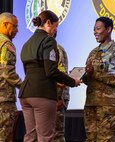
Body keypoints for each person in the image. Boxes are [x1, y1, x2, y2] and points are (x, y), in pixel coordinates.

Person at [18, 10, 81, 142]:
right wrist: (72, 81)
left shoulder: (27, 44)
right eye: (55, 25)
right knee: (45, 137)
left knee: (30, 136)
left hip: (25, 94)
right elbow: (51, 71)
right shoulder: (48, 41)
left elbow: (30, 71)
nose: (55, 29)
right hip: (42, 94)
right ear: (48, 23)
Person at [82, 17, 115, 142]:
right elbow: (88, 79)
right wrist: (82, 75)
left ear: (108, 29)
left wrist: (94, 73)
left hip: (109, 106)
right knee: (90, 140)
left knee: (105, 140)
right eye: (94, 29)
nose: (95, 32)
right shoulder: (93, 53)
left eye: (98, 28)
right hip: (91, 104)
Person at [0, 12, 22, 141]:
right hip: (4, 101)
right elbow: (8, 73)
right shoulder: (6, 44)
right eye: (15, 26)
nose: (17, 30)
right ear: (5, 24)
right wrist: (24, 86)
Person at [53, 32, 70, 142]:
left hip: (57, 99)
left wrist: (58, 98)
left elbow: (61, 77)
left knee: (56, 136)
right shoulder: (44, 49)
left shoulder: (56, 49)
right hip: (46, 99)